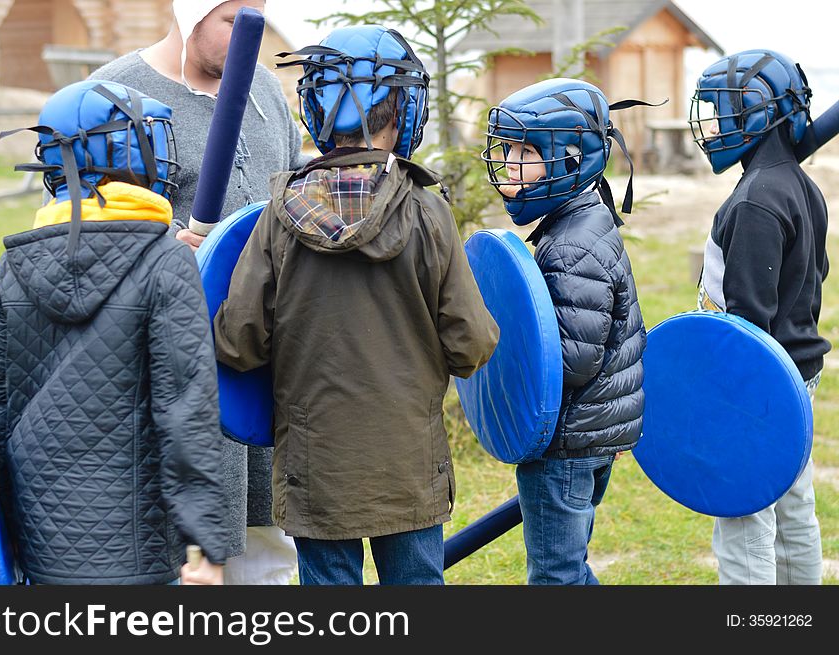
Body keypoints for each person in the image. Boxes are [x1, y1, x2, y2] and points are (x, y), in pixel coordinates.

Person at [213, 25, 500, 585]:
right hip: (407, 466)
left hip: (316, 468)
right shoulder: (427, 211)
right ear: (406, 110)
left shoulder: (279, 215)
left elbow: (239, 341)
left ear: (315, 108)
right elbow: (470, 343)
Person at [91, 0, 307, 584]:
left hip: (262, 358)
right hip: (168, 366)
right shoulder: (114, 93)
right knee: (180, 559)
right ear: (192, 14)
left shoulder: (262, 89)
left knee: (269, 550)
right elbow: (81, 233)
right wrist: (162, 254)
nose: (251, 38)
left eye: (260, 20)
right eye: (236, 20)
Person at [0, 80, 226, 585]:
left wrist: (4, 537)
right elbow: (187, 412)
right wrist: (208, 546)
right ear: (130, 151)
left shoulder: (13, 265)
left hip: (40, 547)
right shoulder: (165, 262)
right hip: (140, 553)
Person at [481, 78, 647, 585]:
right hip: (585, 437)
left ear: (571, 160)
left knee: (555, 577)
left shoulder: (572, 245)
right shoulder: (579, 223)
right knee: (568, 570)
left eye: (524, 153)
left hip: (568, 444)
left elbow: (570, 363)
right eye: (507, 151)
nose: (509, 167)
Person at [690, 49, 829, 585]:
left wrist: (728, 400)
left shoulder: (756, 201)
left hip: (757, 384)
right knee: (794, 510)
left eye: (723, 110)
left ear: (757, 114)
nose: (713, 123)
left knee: (745, 519)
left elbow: (747, 325)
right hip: (796, 375)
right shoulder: (797, 184)